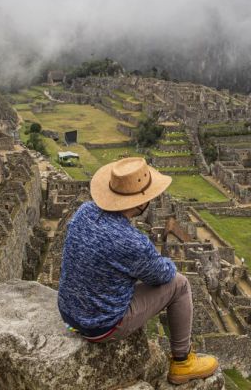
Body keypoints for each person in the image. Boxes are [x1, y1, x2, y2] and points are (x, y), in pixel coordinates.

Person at [57, 157, 219, 385]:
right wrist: (159, 260)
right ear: (140, 202)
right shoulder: (131, 242)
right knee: (180, 285)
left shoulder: (84, 211)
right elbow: (164, 275)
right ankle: (182, 362)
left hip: (69, 313)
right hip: (99, 325)